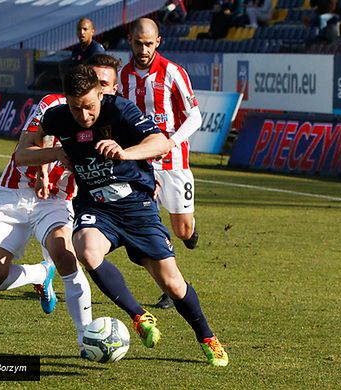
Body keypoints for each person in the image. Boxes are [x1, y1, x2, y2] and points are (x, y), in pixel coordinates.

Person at [21, 64, 229, 367]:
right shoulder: (57, 118)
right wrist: (53, 154)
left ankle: (208, 337)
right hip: (96, 207)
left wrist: (124, 152)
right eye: (76, 108)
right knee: (86, 249)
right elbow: (23, 153)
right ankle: (139, 316)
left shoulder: (118, 110)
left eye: (90, 106)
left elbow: (160, 142)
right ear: (67, 101)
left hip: (137, 207)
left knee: (172, 284)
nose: (84, 116)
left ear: (100, 94)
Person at [0, 92, 94, 357]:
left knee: (64, 254)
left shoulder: (110, 119)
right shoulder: (53, 103)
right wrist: (51, 162)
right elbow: (23, 153)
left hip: (57, 200)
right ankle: (40, 274)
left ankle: (86, 340)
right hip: (13, 193)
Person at [119, 18, 202, 309]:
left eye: (149, 44)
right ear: (130, 40)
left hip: (174, 163)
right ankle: (170, 284)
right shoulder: (122, 76)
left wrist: (171, 141)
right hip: (141, 165)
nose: (143, 49)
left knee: (182, 230)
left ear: (158, 42)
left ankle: (190, 234)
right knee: (150, 225)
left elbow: (195, 117)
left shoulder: (173, 72)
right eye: (138, 43)